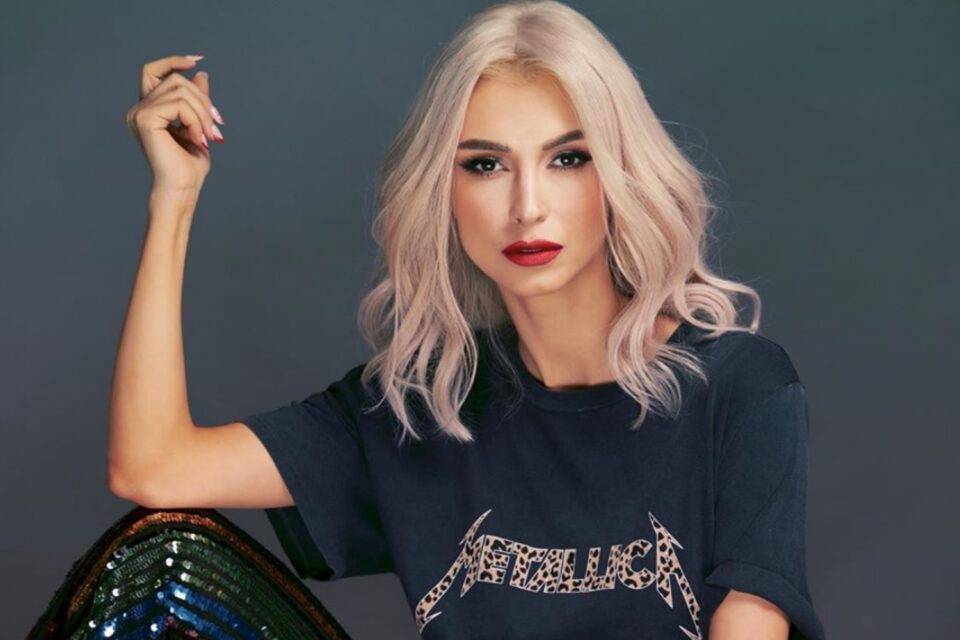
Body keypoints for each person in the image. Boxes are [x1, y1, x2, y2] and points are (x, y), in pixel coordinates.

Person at [110, 1, 826, 639]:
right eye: (485, 165)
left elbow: (751, 624)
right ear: (442, 191)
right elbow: (154, 467)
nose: (527, 206)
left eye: (568, 158)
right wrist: (173, 199)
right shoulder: (424, 406)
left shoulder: (740, 387)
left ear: (618, 174)